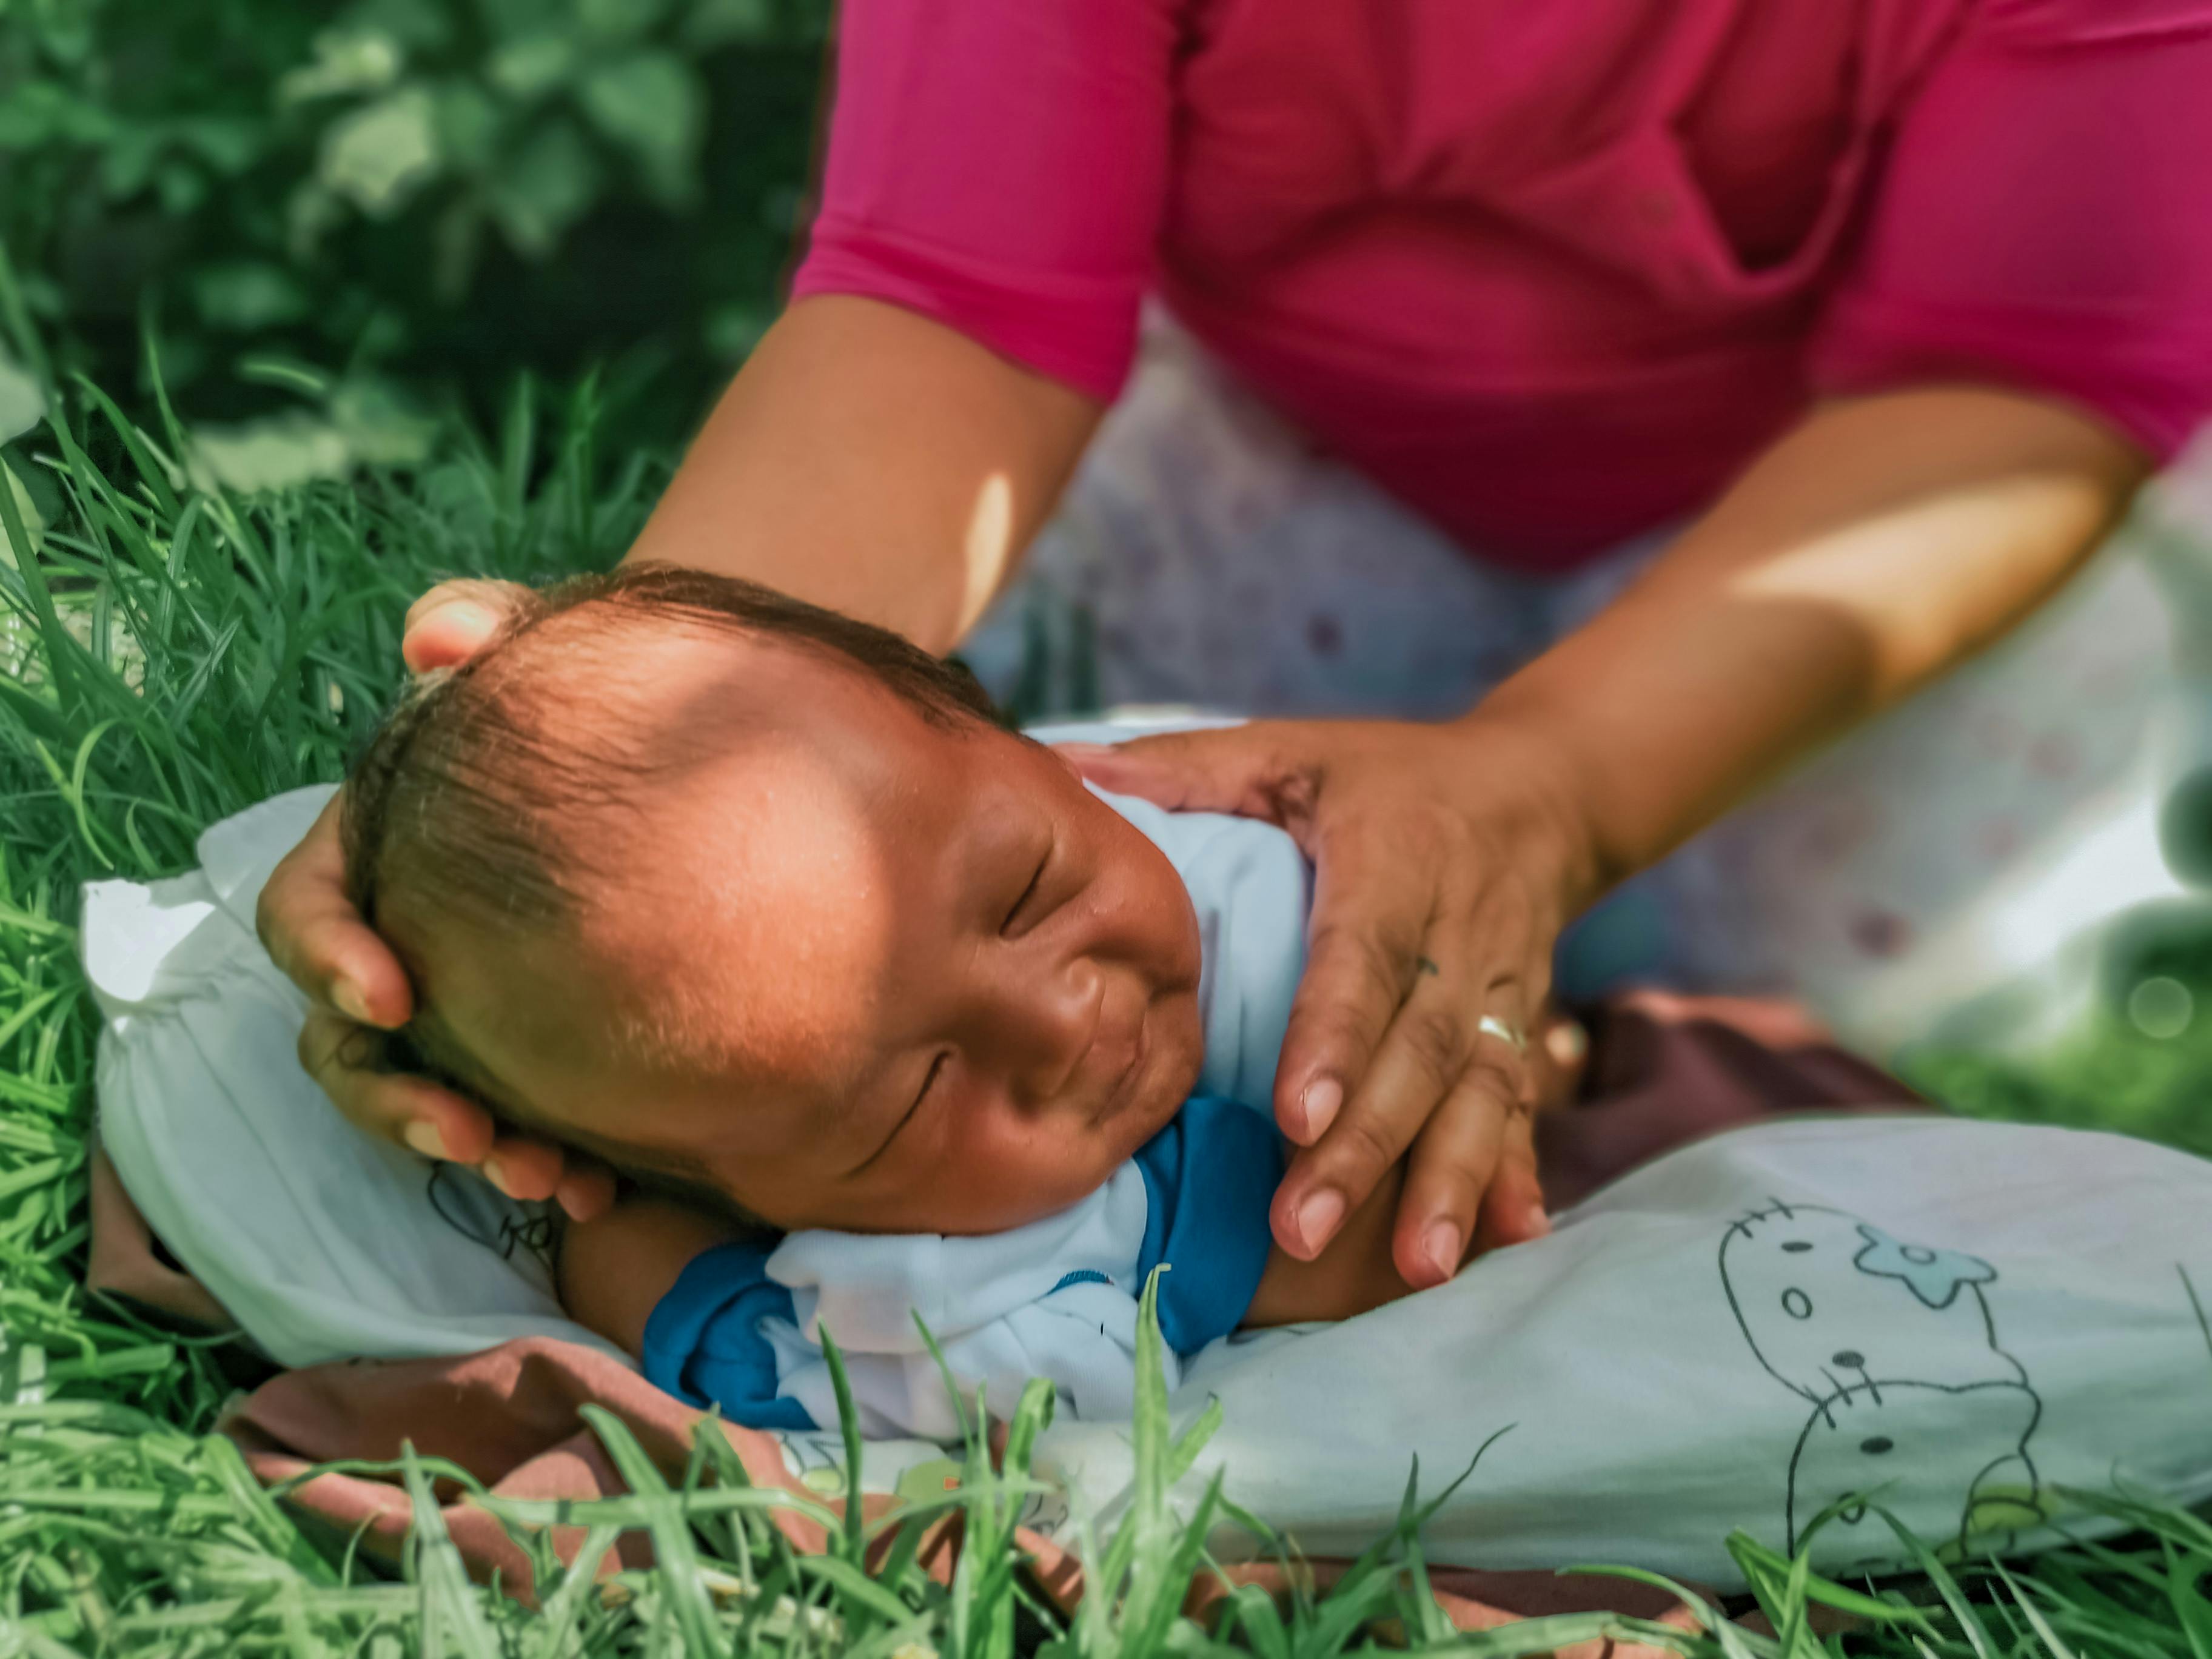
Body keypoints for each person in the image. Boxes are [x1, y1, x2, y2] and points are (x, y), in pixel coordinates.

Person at [258, 0, 2212, 1295]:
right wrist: (621, 770)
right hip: (1293, 454)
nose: (1069, 1023)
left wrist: (1557, 785)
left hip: (1851, 523)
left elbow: (2014, 378)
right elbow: (960, 298)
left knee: (1821, 977)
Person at [340, 565, 1425, 1438]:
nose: (1060, 1024)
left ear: (990, 721)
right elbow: (729, 1332)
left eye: (1028, 894)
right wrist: (626, 1249)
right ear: (767, 1209)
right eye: (917, 1101)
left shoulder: (1161, 794)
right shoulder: (958, 1296)